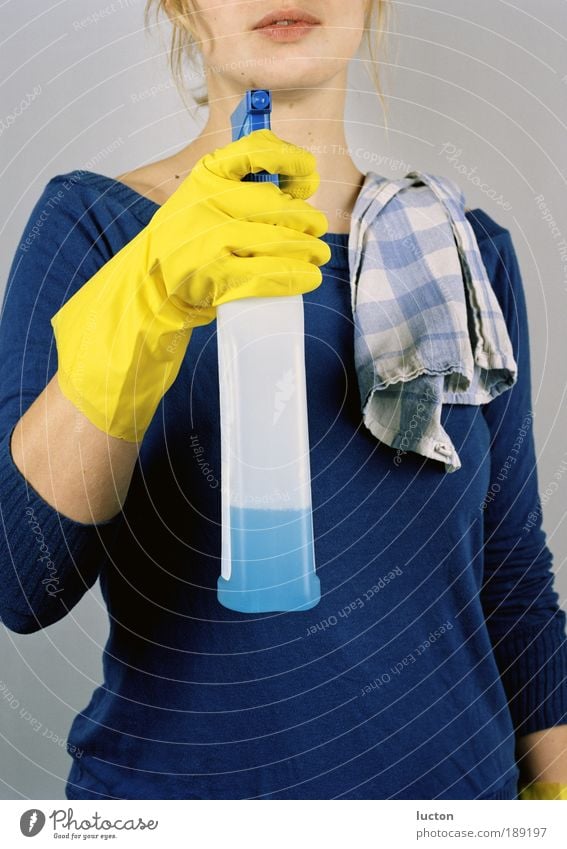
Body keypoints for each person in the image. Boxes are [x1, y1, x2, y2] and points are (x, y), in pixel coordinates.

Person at [1, 0, 566, 801]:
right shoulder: (96, 229)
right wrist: (149, 295)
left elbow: (510, 580)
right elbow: (23, 584)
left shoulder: (461, 253)